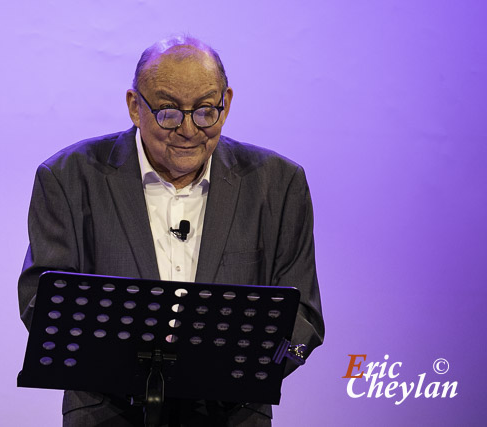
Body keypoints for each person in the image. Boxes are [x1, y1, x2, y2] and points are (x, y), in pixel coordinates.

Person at [18, 36, 324, 426]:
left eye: (204, 110)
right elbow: (41, 301)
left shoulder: (279, 184)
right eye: (168, 112)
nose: (188, 129)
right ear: (134, 106)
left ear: (226, 103)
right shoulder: (67, 177)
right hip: (107, 413)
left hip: (232, 415)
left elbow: (304, 317)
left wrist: (244, 371)